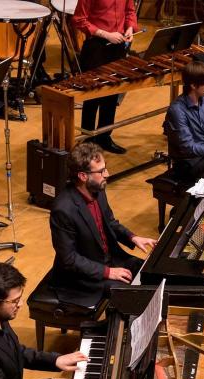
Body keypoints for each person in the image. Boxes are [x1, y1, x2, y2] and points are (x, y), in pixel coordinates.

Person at [49, 142, 156, 306]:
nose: (107, 174)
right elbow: (69, 259)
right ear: (83, 176)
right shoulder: (63, 210)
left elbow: (110, 222)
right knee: (132, 296)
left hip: (110, 258)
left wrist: (133, 237)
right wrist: (107, 272)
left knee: (152, 273)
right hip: (81, 276)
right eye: (101, 171)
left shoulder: (97, 189)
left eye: (105, 168)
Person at [72, 0, 138, 154]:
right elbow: (79, 19)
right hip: (96, 47)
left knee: (112, 94)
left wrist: (129, 28)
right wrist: (106, 34)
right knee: (92, 96)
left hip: (117, 47)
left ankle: (104, 137)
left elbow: (130, 11)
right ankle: (87, 139)